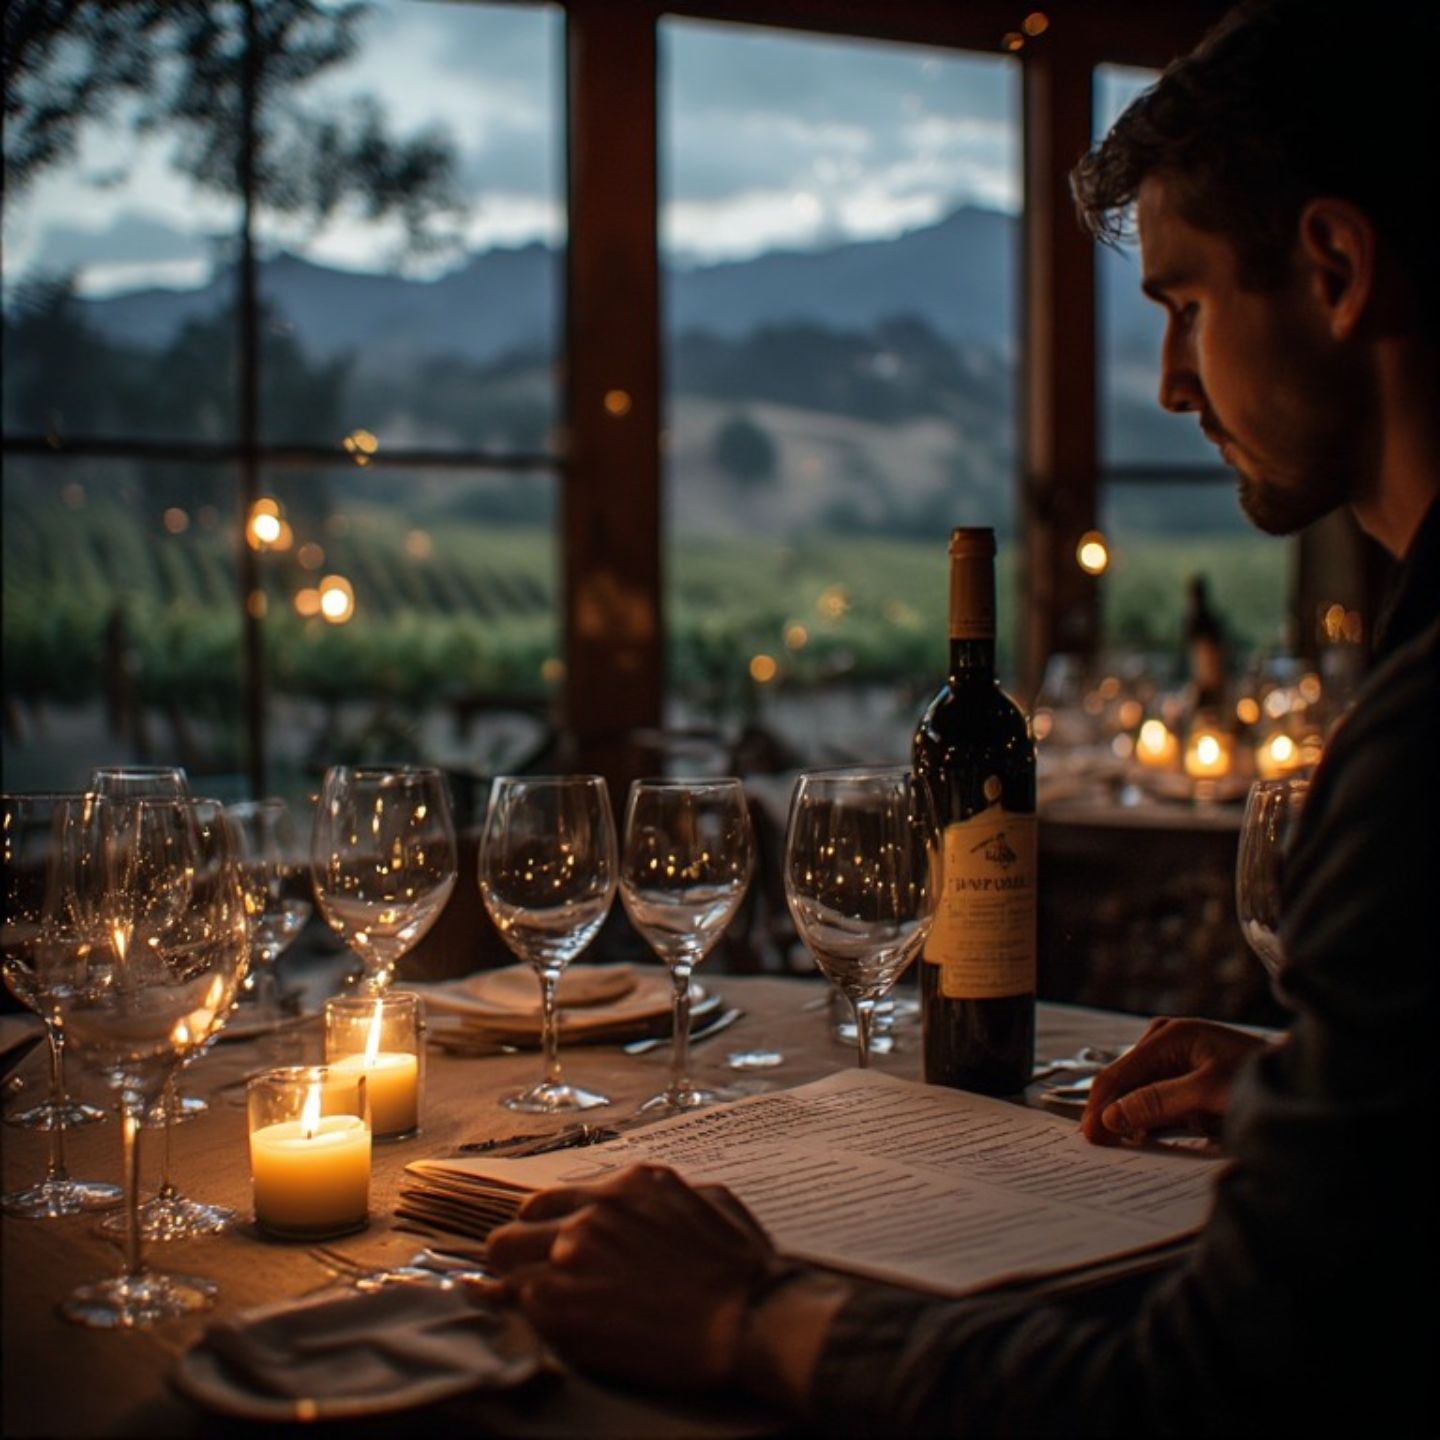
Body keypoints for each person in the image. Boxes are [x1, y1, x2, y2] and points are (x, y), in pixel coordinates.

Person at [487, 1, 1439, 1431]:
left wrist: (749, 1315)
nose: (1173, 385)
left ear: (1335, 266)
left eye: (1183, 307)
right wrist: (1319, 1102)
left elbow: (1211, 1383)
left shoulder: (1426, 747)